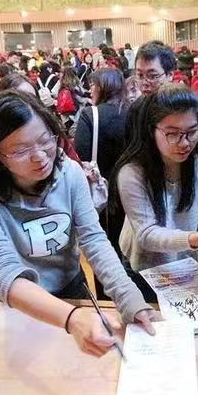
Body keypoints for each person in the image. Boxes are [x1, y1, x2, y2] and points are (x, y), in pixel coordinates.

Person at [0, 91, 157, 357]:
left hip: (71, 288)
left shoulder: (69, 173)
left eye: (45, 141)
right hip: (21, 304)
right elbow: (4, 275)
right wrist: (72, 318)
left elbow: (94, 240)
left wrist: (130, 299)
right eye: (20, 150)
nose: (40, 157)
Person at [111, 83, 198, 302]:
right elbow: (147, 234)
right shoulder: (132, 173)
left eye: (191, 132)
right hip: (141, 269)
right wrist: (196, 239)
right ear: (152, 131)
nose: (184, 143)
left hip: (186, 265)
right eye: (172, 134)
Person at [74, 68, 128, 255]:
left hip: (102, 196)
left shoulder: (91, 115)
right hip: (134, 193)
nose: (90, 90)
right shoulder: (134, 112)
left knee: (104, 251)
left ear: (101, 87)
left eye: (92, 85)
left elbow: (82, 156)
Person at [124, 40, 176, 144]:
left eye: (152, 76)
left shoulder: (188, 106)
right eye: (140, 75)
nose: (144, 83)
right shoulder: (135, 110)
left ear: (170, 75)